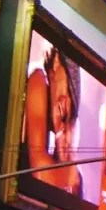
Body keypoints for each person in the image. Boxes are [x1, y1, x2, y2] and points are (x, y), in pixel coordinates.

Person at [23, 43, 84, 196]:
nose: (63, 103)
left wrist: (66, 153)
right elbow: (41, 175)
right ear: (56, 63)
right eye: (65, 90)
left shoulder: (64, 129)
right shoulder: (38, 80)